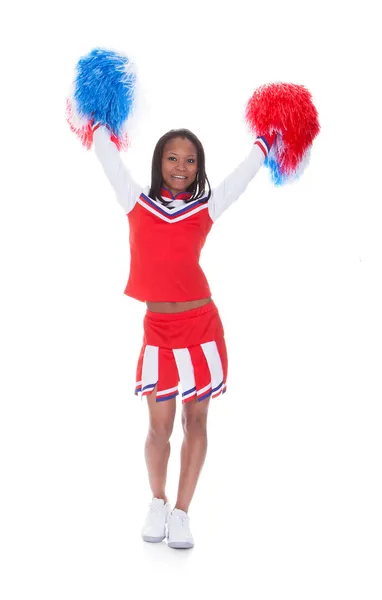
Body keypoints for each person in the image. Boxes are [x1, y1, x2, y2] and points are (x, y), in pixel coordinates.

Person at [92, 123, 276, 549]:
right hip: (158, 332)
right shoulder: (136, 201)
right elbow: (107, 158)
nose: (181, 167)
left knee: (196, 421)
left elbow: (241, 178)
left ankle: (182, 513)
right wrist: (98, 119)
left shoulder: (204, 209)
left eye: (190, 160)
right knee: (159, 430)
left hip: (202, 330)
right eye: (173, 158)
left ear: (199, 168)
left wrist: (266, 139)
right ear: (159, 162)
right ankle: (157, 503)